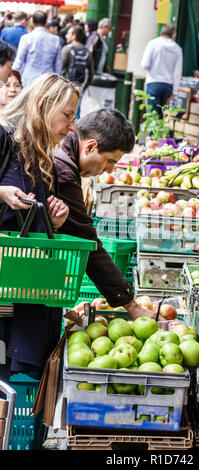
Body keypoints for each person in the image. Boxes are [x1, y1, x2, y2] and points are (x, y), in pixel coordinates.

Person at [0, 73, 78, 384]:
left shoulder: (44, 157)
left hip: (24, 290)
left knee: (7, 379)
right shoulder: (4, 138)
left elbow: (35, 220)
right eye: (68, 115)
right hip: (6, 289)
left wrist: (53, 220)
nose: (72, 126)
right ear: (44, 105)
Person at [54, 108, 157, 320]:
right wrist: (131, 305)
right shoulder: (63, 172)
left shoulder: (63, 155)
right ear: (90, 146)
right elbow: (87, 241)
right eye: (110, 161)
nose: (110, 170)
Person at [141, 24, 183, 119]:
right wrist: (174, 91)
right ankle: (159, 134)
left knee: (152, 116)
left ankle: (153, 134)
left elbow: (145, 64)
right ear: (173, 35)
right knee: (162, 115)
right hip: (168, 85)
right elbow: (177, 72)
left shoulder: (152, 44)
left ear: (161, 32)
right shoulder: (177, 49)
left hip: (153, 82)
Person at [13, 10, 62, 87]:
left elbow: (19, 61)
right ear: (46, 22)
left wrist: (12, 76)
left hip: (29, 79)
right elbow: (58, 63)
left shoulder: (26, 38)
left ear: (32, 22)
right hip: (48, 80)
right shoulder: (55, 39)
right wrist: (58, 80)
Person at [62, 25, 94, 118]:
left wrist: (62, 83)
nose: (66, 36)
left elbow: (61, 68)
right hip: (79, 86)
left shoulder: (67, 49)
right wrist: (84, 86)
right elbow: (91, 72)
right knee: (76, 110)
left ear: (74, 36)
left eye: (69, 34)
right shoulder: (87, 51)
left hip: (66, 85)